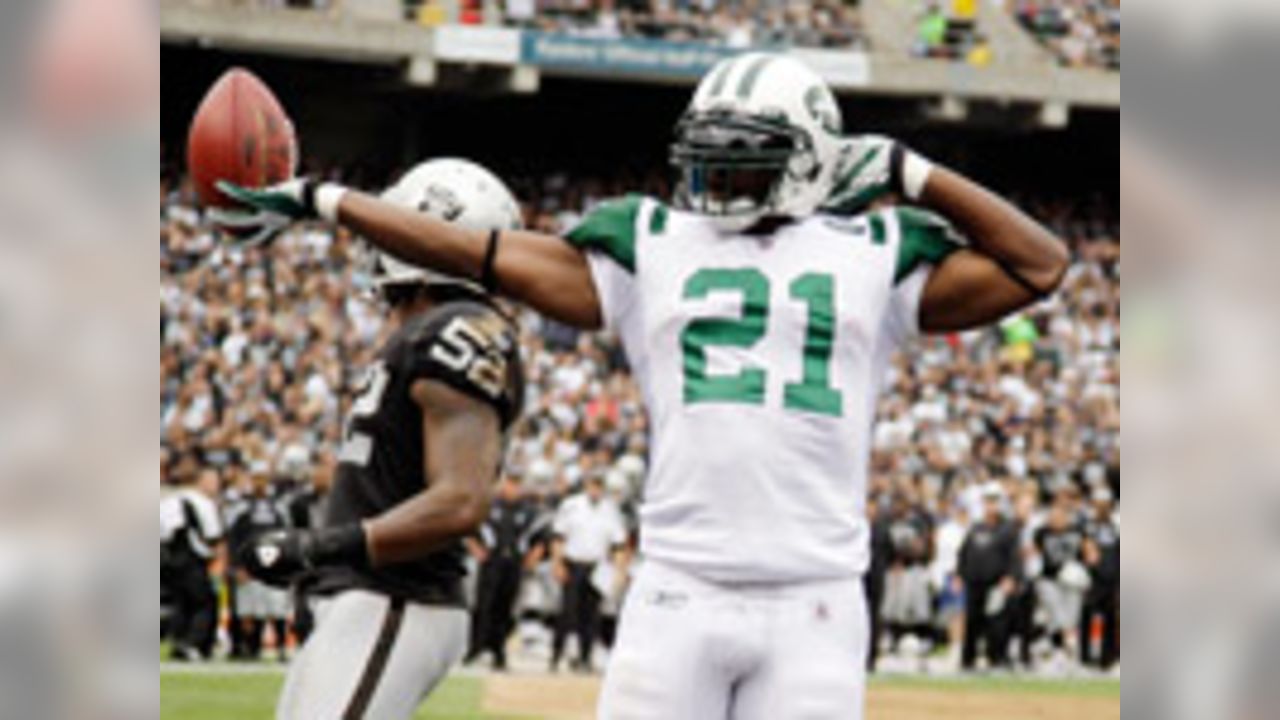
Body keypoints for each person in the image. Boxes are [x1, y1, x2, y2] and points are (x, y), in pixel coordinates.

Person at [220, 51, 1067, 718]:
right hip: (678, 589)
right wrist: (328, 200)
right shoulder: (650, 236)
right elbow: (475, 251)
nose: (715, 180)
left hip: (814, 599)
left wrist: (912, 173)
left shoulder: (878, 247)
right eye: (708, 157)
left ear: (812, 161)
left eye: (744, 162)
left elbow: (1042, 263)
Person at [235, 159, 526, 719]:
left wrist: (320, 548)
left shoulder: (454, 329)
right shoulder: (427, 332)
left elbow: (460, 501)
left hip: (399, 598)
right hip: (374, 598)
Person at [464, 473, 546, 671]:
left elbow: (540, 538)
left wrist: (531, 558)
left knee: (506, 608)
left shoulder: (528, 510)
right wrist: (475, 548)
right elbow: (467, 527)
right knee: (484, 606)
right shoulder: (489, 505)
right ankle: (475, 649)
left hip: (514, 564)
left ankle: (498, 651)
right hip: (492, 562)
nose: (513, 488)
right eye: (510, 483)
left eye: (517, 484)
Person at [549, 474, 626, 672]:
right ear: (586, 485)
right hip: (573, 563)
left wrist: (618, 571)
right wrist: (557, 563)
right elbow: (559, 536)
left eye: (599, 485)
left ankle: (585, 658)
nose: (595, 489)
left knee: (591, 615)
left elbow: (618, 544)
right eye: (593, 484)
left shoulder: (610, 510)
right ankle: (555, 656)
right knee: (567, 612)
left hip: (597, 566)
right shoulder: (572, 505)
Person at [227, 461, 293, 661]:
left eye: (263, 477)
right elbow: (233, 538)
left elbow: (287, 535)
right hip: (249, 566)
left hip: (273, 565)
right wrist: (237, 566)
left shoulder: (279, 506)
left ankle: (281, 646)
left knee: (276, 608)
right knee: (250, 611)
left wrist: (285, 563)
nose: (259, 482)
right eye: (256, 477)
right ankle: (250, 648)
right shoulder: (241, 506)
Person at [160, 465, 223, 661]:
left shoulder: (169, 501)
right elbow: (212, 535)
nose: (216, 486)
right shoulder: (203, 503)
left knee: (181, 602)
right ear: (200, 481)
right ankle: (194, 643)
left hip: (168, 559)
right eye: (212, 481)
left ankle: (178, 642)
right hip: (192, 559)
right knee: (204, 602)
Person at [957, 484, 1021, 671]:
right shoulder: (976, 528)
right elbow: (964, 553)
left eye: (994, 501)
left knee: (997, 622)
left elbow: (1014, 557)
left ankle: (997, 659)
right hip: (974, 582)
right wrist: (960, 574)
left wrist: (1011, 577)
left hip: (997, 583)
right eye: (987, 501)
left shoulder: (1007, 529)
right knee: (972, 622)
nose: (990, 506)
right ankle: (968, 661)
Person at [1080, 486, 1119, 670]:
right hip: (1091, 579)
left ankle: (1107, 660)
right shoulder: (1087, 526)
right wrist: (1086, 547)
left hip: (1113, 578)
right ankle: (1085, 660)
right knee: (1087, 616)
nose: (1102, 507)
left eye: (1105, 504)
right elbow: (1082, 548)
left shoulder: (1117, 526)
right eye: (1099, 504)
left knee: (1111, 619)